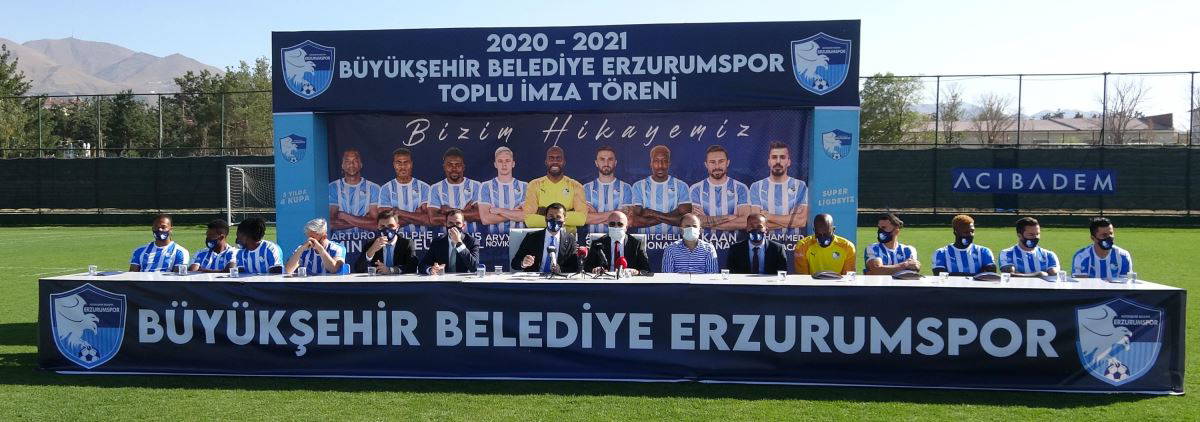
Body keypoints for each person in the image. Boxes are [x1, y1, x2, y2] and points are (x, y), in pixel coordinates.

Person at [628, 145, 694, 236]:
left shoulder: (681, 186)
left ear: (669, 163)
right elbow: (635, 221)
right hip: (646, 241)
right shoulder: (638, 186)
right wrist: (674, 215)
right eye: (656, 161)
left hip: (674, 241)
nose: (660, 166)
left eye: (664, 161)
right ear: (651, 163)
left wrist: (652, 213)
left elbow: (685, 220)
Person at [749, 141, 809, 237]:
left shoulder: (800, 186)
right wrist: (790, 219)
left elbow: (801, 221)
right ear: (769, 162)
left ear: (788, 162)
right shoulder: (756, 187)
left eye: (782, 157)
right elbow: (756, 224)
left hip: (793, 243)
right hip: (766, 243)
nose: (778, 161)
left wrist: (769, 216)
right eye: (774, 157)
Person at [522, 146, 588, 233]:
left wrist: (544, 213)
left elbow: (581, 219)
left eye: (558, 158)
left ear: (564, 162)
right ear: (546, 162)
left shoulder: (575, 186)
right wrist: (565, 215)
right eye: (551, 158)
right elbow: (529, 220)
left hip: (567, 238)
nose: (555, 161)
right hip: (541, 237)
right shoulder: (534, 185)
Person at [690, 145, 754, 233]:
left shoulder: (740, 188)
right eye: (712, 162)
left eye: (721, 161)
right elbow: (696, 220)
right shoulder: (696, 189)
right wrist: (728, 217)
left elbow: (745, 222)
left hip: (735, 241)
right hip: (704, 242)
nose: (717, 166)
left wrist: (707, 220)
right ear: (706, 165)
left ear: (727, 163)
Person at [375, 147, 432, 235]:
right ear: (394, 165)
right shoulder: (386, 188)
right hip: (396, 239)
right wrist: (416, 216)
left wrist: (398, 212)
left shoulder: (424, 187)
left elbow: (428, 219)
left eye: (406, 162)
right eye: (399, 163)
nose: (403, 167)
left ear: (411, 164)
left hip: (421, 239)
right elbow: (386, 221)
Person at [513, 203, 581, 274]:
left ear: (564, 220)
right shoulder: (532, 237)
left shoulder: (570, 239)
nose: (554, 219)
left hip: (557, 279)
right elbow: (514, 263)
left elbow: (574, 267)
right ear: (545, 218)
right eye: (551, 216)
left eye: (558, 217)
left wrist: (560, 270)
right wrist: (523, 263)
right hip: (534, 279)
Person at [428, 147, 484, 232]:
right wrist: (466, 212)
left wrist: (449, 211)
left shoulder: (476, 186)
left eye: (458, 165)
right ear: (444, 167)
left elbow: (480, 215)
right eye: (450, 165)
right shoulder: (435, 188)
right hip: (445, 238)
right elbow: (433, 219)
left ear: (463, 167)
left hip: (471, 236)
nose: (454, 168)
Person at [583, 146, 634, 235]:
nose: (606, 163)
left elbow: (627, 220)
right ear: (596, 163)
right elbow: (585, 218)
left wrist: (595, 214)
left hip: (618, 239)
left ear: (615, 162)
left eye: (610, 159)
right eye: (602, 159)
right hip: (592, 240)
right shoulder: (586, 188)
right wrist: (617, 213)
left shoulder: (626, 188)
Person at [478, 146, 528, 234]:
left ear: (513, 163)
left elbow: (527, 216)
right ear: (495, 164)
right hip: (494, 239)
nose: (504, 164)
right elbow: (485, 219)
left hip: (519, 237)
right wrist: (515, 213)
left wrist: (500, 211)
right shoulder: (486, 186)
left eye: (507, 161)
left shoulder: (524, 186)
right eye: (500, 161)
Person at [585, 210, 650, 275]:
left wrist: (636, 272)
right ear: (608, 226)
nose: (616, 227)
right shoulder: (598, 243)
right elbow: (587, 267)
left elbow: (646, 270)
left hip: (627, 279)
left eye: (620, 224)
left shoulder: (636, 244)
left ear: (626, 227)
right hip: (605, 279)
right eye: (612, 224)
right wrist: (595, 269)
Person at [329, 148, 380, 231]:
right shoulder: (332, 187)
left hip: (368, 238)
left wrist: (345, 216)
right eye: (347, 161)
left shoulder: (374, 188)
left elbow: (376, 223)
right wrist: (364, 220)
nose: (351, 164)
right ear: (342, 165)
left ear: (361, 164)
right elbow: (331, 223)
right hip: (339, 239)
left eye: (355, 161)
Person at [354, 209, 418, 274]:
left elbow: (412, 267)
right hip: (378, 280)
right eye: (382, 226)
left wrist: (391, 270)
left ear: (397, 227)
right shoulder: (371, 244)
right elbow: (358, 269)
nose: (387, 230)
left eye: (390, 226)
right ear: (377, 227)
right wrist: (372, 250)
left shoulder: (406, 243)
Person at [419, 208, 480, 275]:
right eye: (450, 223)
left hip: (464, 280)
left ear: (463, 226)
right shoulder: (437, 242)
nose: (454, 226)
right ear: (445, 224)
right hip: (443, 280)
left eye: (458, 223)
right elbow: (422, 265)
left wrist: (459, 243)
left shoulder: (472, 242)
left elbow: (475, 267)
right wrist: (431, 270)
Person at [931, 214, 996, 276]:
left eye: (972, 231)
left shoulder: (984, 251)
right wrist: (977, 275)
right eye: (966, 232)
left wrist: (952, 274)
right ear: (955, 232)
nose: (970, 235)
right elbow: (939, 275)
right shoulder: (941, 253)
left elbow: (990, 274)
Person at [284, 218, 349, 275]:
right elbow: (288, 270)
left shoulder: (337, 248)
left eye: (313, 237)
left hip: (330, 284)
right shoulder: (303, 248)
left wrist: (320, 249)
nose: (309, 240)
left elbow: (334, 269)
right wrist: (301, 249)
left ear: (324, 236)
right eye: (308, 237)